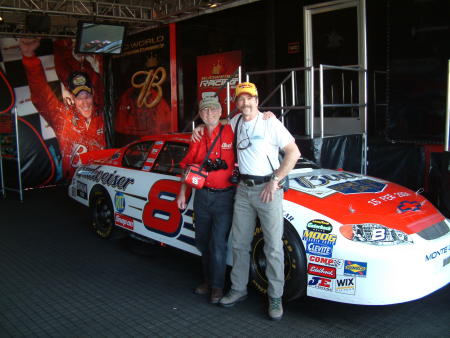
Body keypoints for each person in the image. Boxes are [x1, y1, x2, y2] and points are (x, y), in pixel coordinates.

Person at [218, 82, 300, 320]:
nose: (245, 103)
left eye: (249, 98)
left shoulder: (269, 122)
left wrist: (276, 180)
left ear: (257, 99)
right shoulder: (235, 122)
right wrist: (201, 128)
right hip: (243, 189)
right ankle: (238, 289)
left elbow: (293, 152)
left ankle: (275, 297)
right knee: (239, 244)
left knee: (273, 247)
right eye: (240, 99)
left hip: (268, 189)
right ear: (236, 103)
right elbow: (219, 125)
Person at [19, 38, 106, 180]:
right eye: (79, 97)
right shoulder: (63, 118)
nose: (84, 102)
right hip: (74, 184)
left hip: (104, 181)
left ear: (93, 94)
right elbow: (41, 94)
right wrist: (30, 58)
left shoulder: (104, 115)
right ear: (72, 97)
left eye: (87, 96)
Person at [176, 96, 235, 304]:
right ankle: (208, 281)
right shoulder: (197, 137)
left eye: (213, 110)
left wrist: (267, 115)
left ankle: (217, 287)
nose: (209, 113)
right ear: (200, 115)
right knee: (202, 241)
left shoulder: (232, 130)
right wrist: (183, 193)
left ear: (220, 112)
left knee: (218, 243)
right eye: (204, 111)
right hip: (201, 196)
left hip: (225, 198)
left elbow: (249, 117)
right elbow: (188, 165)